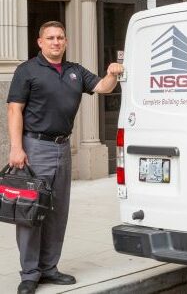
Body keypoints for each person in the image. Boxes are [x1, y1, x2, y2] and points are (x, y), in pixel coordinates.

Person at [6, 21, 124, 294]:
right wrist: (16, 147)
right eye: (50, 38)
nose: (56, 42)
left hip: (63, 147)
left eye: (60, 37)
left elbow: (103, 87)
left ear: (66, 41)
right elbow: (15, 110)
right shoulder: (28, 70)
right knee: (31, 211)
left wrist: (113, 73)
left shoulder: (75, 71)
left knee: (58, 211)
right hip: (34, 147)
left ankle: (49, 269)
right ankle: (30, 274)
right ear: (40, 42)